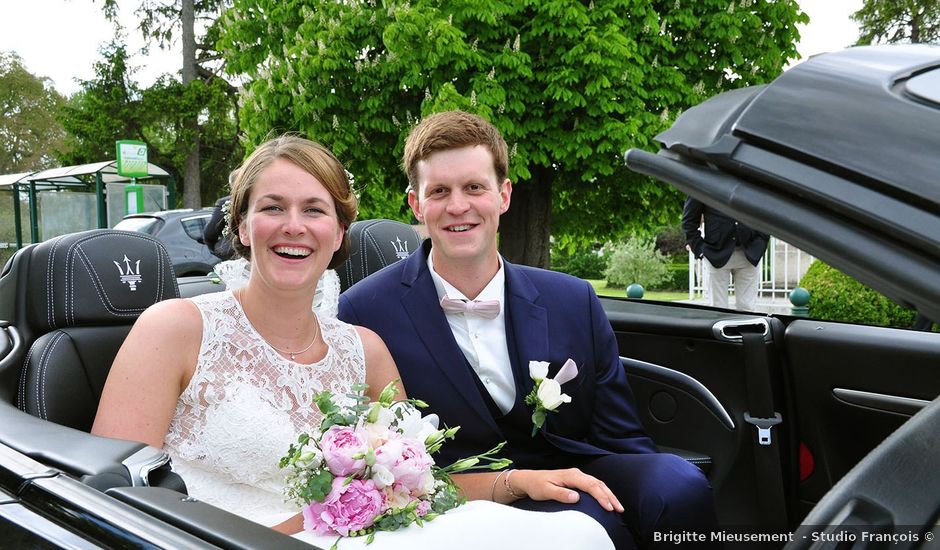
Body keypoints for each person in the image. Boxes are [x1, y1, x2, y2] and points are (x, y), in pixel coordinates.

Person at [92, 135, 614, 549]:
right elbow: (110, 495)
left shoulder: (364, 350)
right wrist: (314, 526)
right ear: (243, 227)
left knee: (574, 535)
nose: (293, 227)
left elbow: (421, 486)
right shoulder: (176, 328)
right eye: (272, 207)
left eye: (315, 210)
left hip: (370, 539)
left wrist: (518, 482)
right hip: (225, 541)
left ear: (339, 233)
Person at [338, 111, 718, 549]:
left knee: (677, 485)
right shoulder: (364, 311)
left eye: (474, 187)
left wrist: (645, 488)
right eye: (439, 191)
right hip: (457, 496)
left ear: (503, 195)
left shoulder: (573, 299)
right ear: (416, 205)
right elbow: (382, 456)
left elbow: (621, 437)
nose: (458, 206)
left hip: (573, 468)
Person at [681, 197, 769, 311]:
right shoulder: (706, 182)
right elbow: (689, 221)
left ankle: (745, 329)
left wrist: (760, 243)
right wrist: (701, 250)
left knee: (747, 308)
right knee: (717, 308)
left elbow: (766, 215)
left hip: (749, 252)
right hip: (715, 253)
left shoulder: (754, 182)